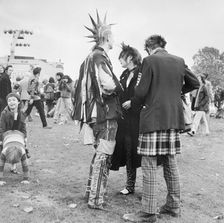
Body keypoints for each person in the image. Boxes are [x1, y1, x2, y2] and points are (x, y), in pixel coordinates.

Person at [123, 35, 200, 223]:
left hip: (153, 119)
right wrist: (176, 92)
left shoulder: (149, 61)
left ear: (149, 48)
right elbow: (195, 83)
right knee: (170, 162)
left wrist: (133, 102)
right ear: (163, 46)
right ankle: (174, 206)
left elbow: (140, 92)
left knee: (149, 164)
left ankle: (149, 212)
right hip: (172, 119)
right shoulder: (179, 61)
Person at [73, 11, 122, 210]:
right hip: (105, 113)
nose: (114, 40)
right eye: (113, 37)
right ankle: (96, 199)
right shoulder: (99, 57)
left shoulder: (90, 57)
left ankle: (90, 193)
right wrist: (118, 89)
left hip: (94, 114)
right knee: (104, 155)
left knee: (99, 154)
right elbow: (108, 84)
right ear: (107, 37)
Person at [110, 43, 142, 195]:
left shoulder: (142, 73)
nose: (119, 60)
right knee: (128, 151)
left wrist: (133, 102)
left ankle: (135, 186)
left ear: (130, 57)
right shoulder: (123, 74)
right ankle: (130, 185)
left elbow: (145, 93)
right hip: (124, 120)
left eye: (121, 57)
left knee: (137, 153)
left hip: (137, 119)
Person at [0, 93, 30, 180]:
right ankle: (2, 166)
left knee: (17, 149)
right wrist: (1, 138)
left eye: (13, 100)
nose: (11, 102)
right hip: (7, 135)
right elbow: (1, 127)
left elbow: (23, 126)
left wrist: (25, 137)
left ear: (18, 102)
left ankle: (13, 166)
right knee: (4, 150)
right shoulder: (4, 113)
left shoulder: (21, 113)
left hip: (18, 135)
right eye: (9, 100)